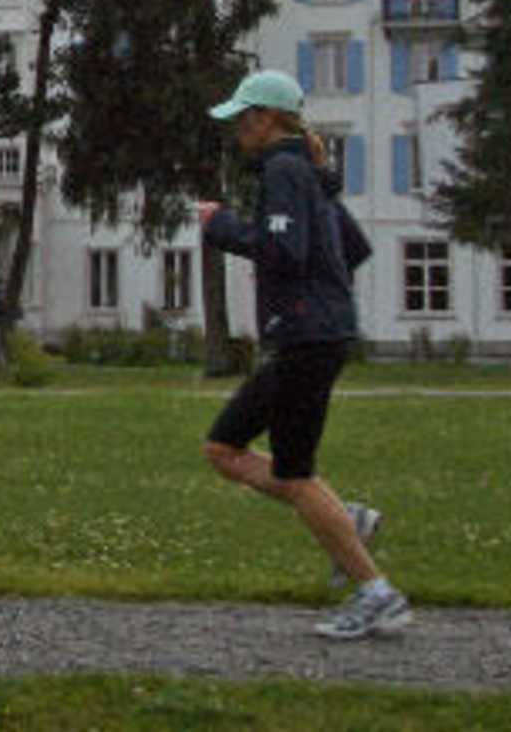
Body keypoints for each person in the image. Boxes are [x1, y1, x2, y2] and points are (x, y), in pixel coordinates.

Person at [194, 68, 409, 641]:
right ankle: (346, 520)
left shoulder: (284, 171)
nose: (237, 131)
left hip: (306, 337)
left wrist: (222, 226)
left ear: (266, 118)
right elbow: (354, 248)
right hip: (315, 333)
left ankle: (377, 594)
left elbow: (283, 251)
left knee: (293, 474)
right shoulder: (309, 174)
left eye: (242, 119)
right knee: (223, 448)